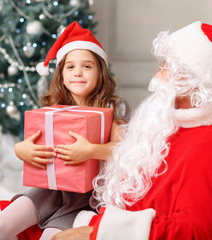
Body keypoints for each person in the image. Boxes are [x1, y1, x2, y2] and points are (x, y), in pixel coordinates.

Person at [51, 21, 212, 240]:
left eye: (168, 66)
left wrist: (100, 233)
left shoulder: (204, 146)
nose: (158, 75)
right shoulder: (165, 125)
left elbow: (195, 230)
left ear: (195, 82)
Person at [0, 21, 129, 240]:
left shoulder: (111, 108)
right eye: (70, 67)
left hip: (85, 198)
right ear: (61, 74)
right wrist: (21, 149)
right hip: (49, 191)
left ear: (100, 72)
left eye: (87, 66)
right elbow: (33, 142)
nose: (78, 72)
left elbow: (122, 150)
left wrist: (90, 151)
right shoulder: (52, 108)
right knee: (0, 225)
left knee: (50, 237)